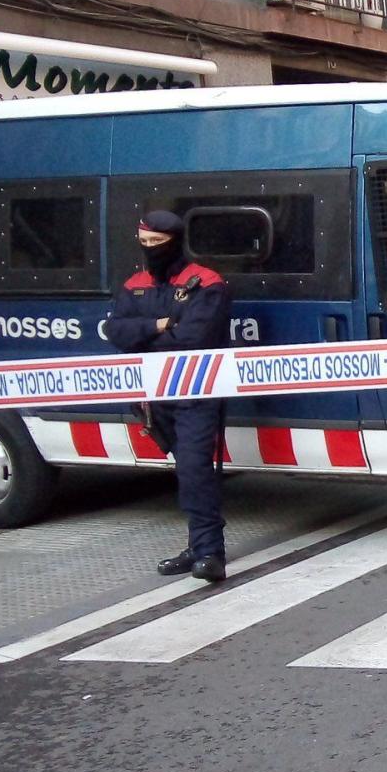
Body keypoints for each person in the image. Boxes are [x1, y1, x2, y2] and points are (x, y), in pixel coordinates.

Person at [104, 211, 233, 583]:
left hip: (195, 392)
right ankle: (198, 546)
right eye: (143, 243)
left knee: (194, 467)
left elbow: (194, 339)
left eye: (156, 244)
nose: (149, 251)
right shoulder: (135, 284)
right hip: (152, 396)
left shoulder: (206, 283)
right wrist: (159, 325)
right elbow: (115, 330)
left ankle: (210, 553)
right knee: (185, 470)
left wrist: (141, 336)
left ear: (175, 242)